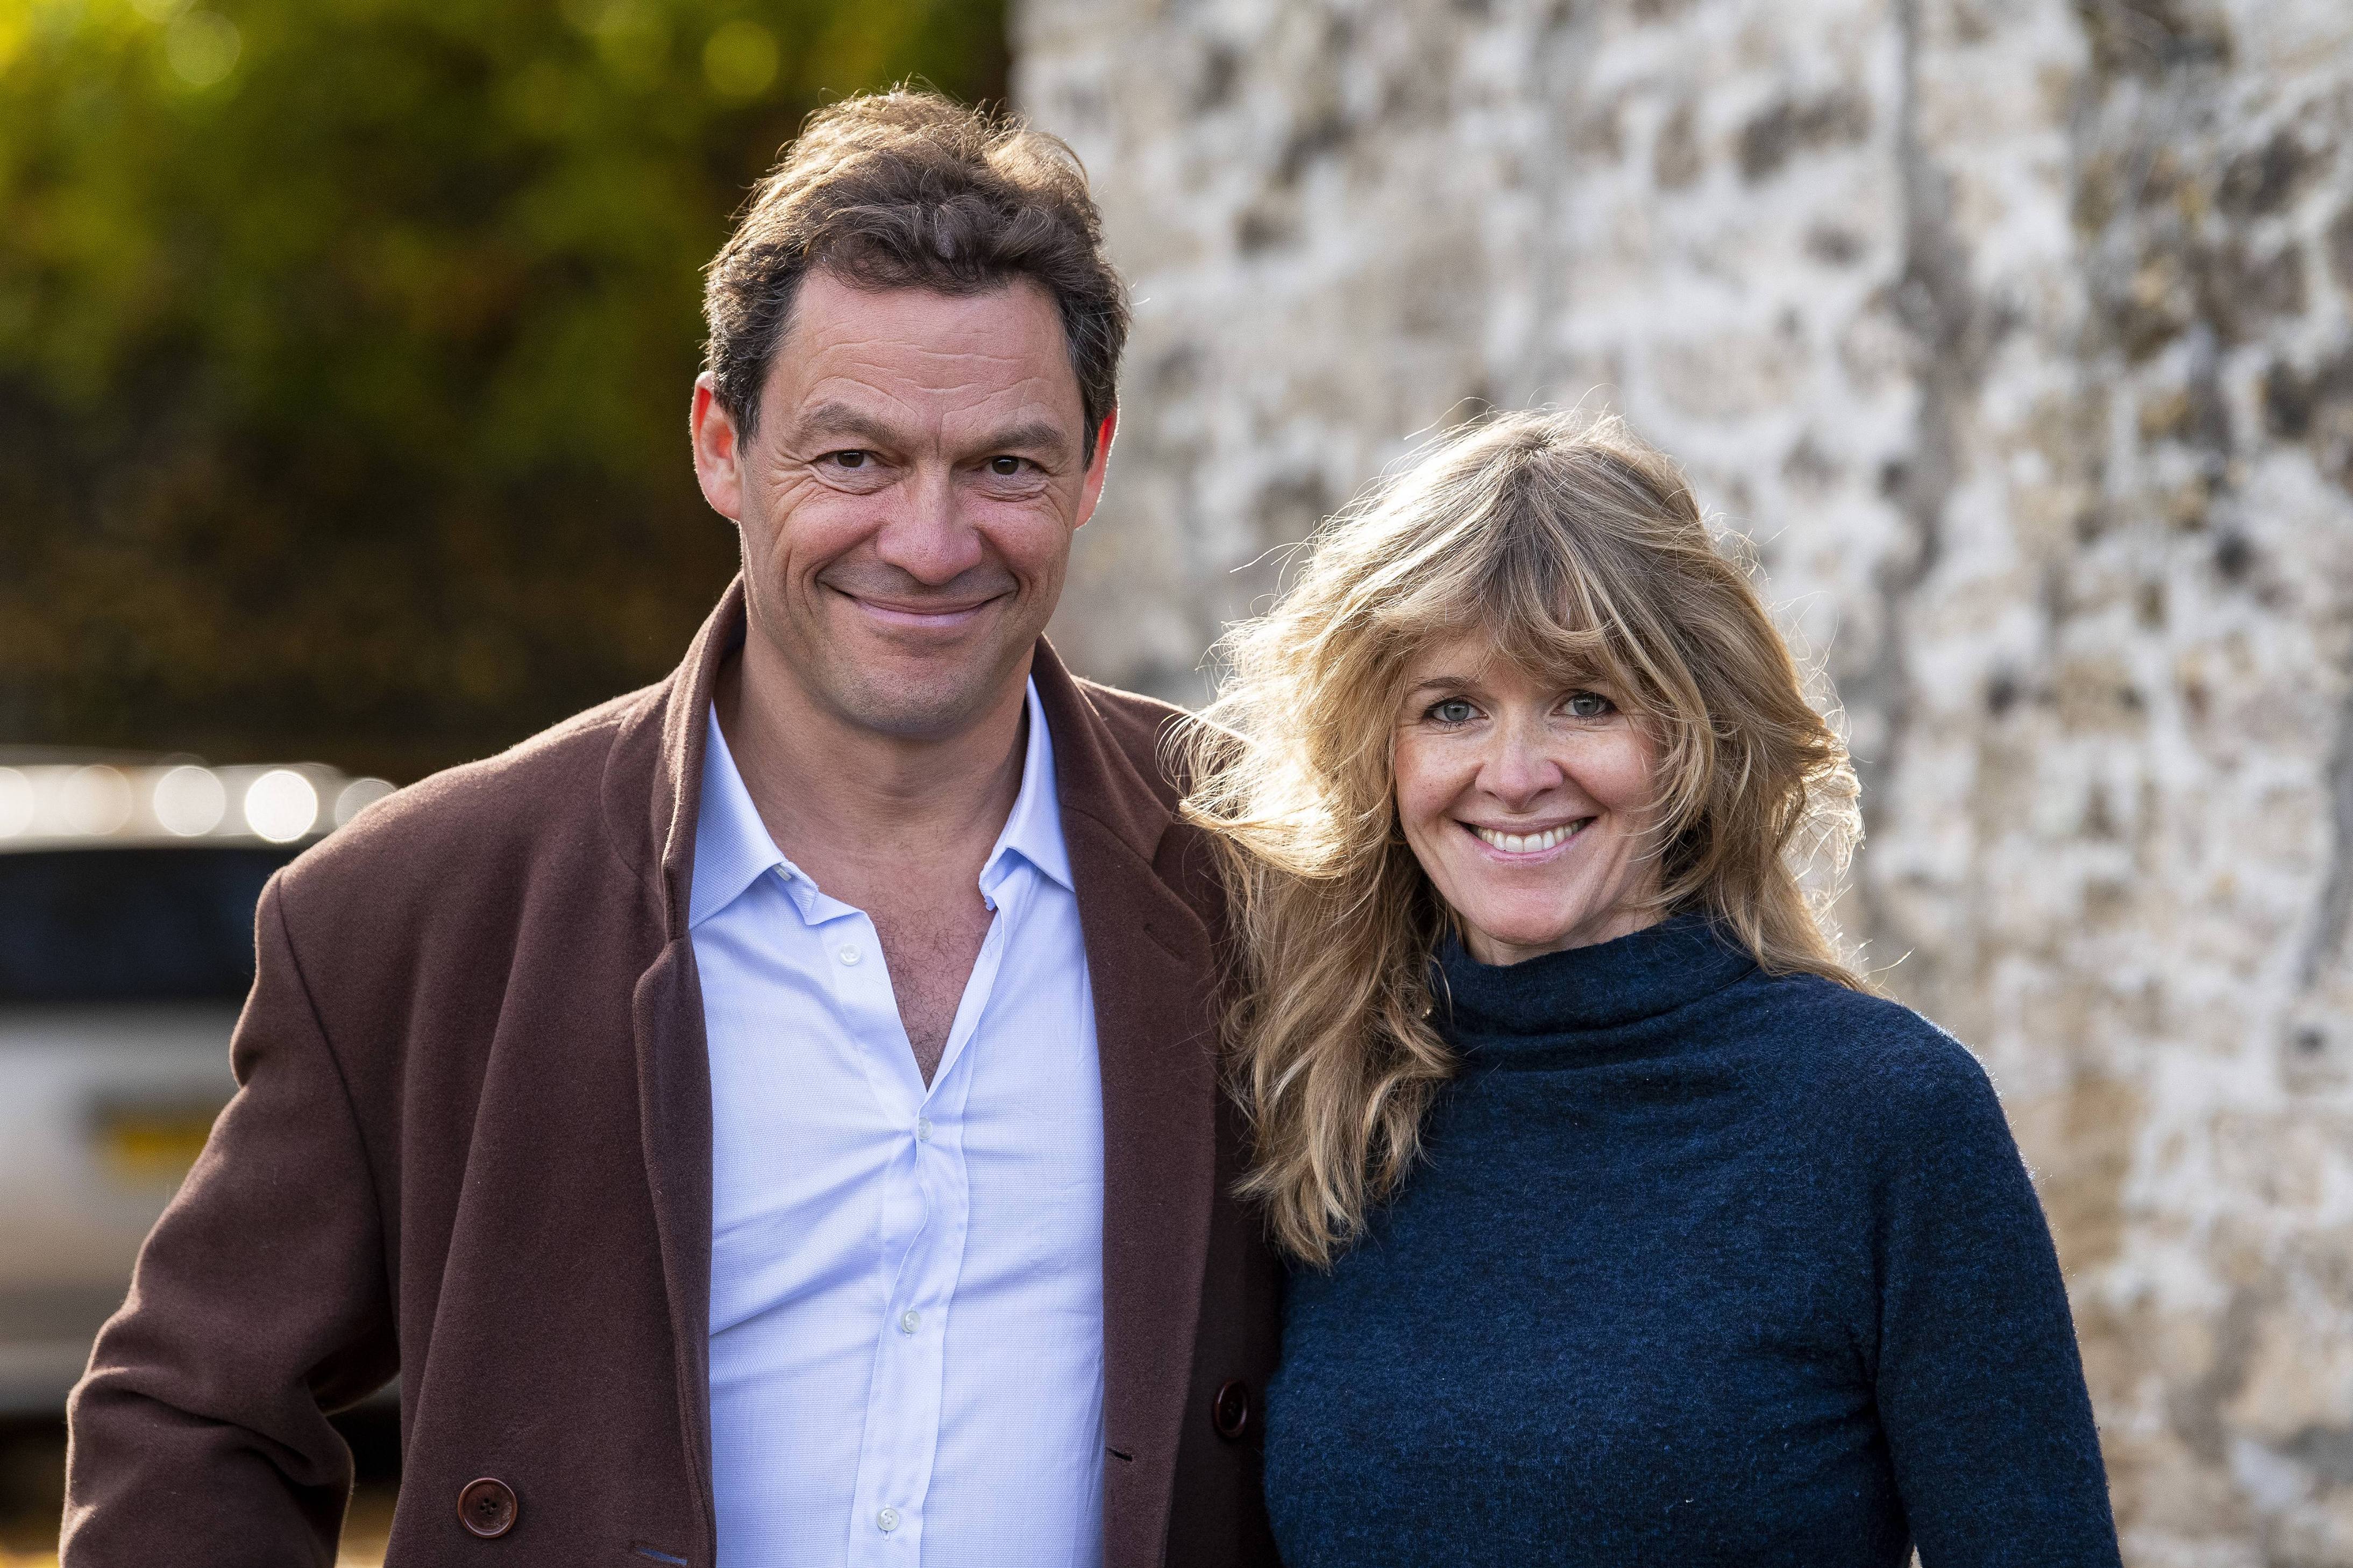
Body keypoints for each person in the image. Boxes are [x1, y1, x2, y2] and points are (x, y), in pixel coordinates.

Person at [63, 91, 1280, 1568]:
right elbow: (190, 1422)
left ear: (1092, 466)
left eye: (1006, 466)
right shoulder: (415, 910)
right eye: (854, 459)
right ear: (721, 444)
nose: (929, 538)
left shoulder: (1268, 870)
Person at [1181, 408, 2123, 1567]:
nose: (1515, 775)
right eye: (1451, 709)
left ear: (1689, 738)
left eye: (1586, 700)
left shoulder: (1884, 1117)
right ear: (1379, 752)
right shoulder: (1327, 1098)